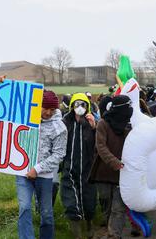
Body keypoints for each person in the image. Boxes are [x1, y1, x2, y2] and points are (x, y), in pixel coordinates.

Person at [17, 90, 68, 239]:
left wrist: (37, 169)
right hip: (22, 173)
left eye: (52, 109)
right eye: (44, 108)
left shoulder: (60, 128)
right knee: (24, 207)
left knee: (46, 213)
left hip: (45, 176)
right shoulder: (23, 118)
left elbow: (59, 154)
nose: (48, 112)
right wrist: (0, 83)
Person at [89, 95, 133, 239]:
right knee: (106, 203)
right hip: (103, 172)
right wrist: (114, 162)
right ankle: (108, 227)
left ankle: (114, 234)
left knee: (118, 208)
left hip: (122, 173)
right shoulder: (103, 124)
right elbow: (101, 146)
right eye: (128, 106)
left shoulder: (128, 125)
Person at [61, 93, 98, 238]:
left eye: (83, 104)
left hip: (87, 169)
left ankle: (89, 224)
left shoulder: (91, 122)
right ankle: (77, 235)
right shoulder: (65, 122)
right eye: (77, 104)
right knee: (70, 201)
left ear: (87, 106)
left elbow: (98, 146)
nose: (80, 107)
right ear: (72, 106)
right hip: (69, 168)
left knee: (88, 200)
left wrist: (94, 127)